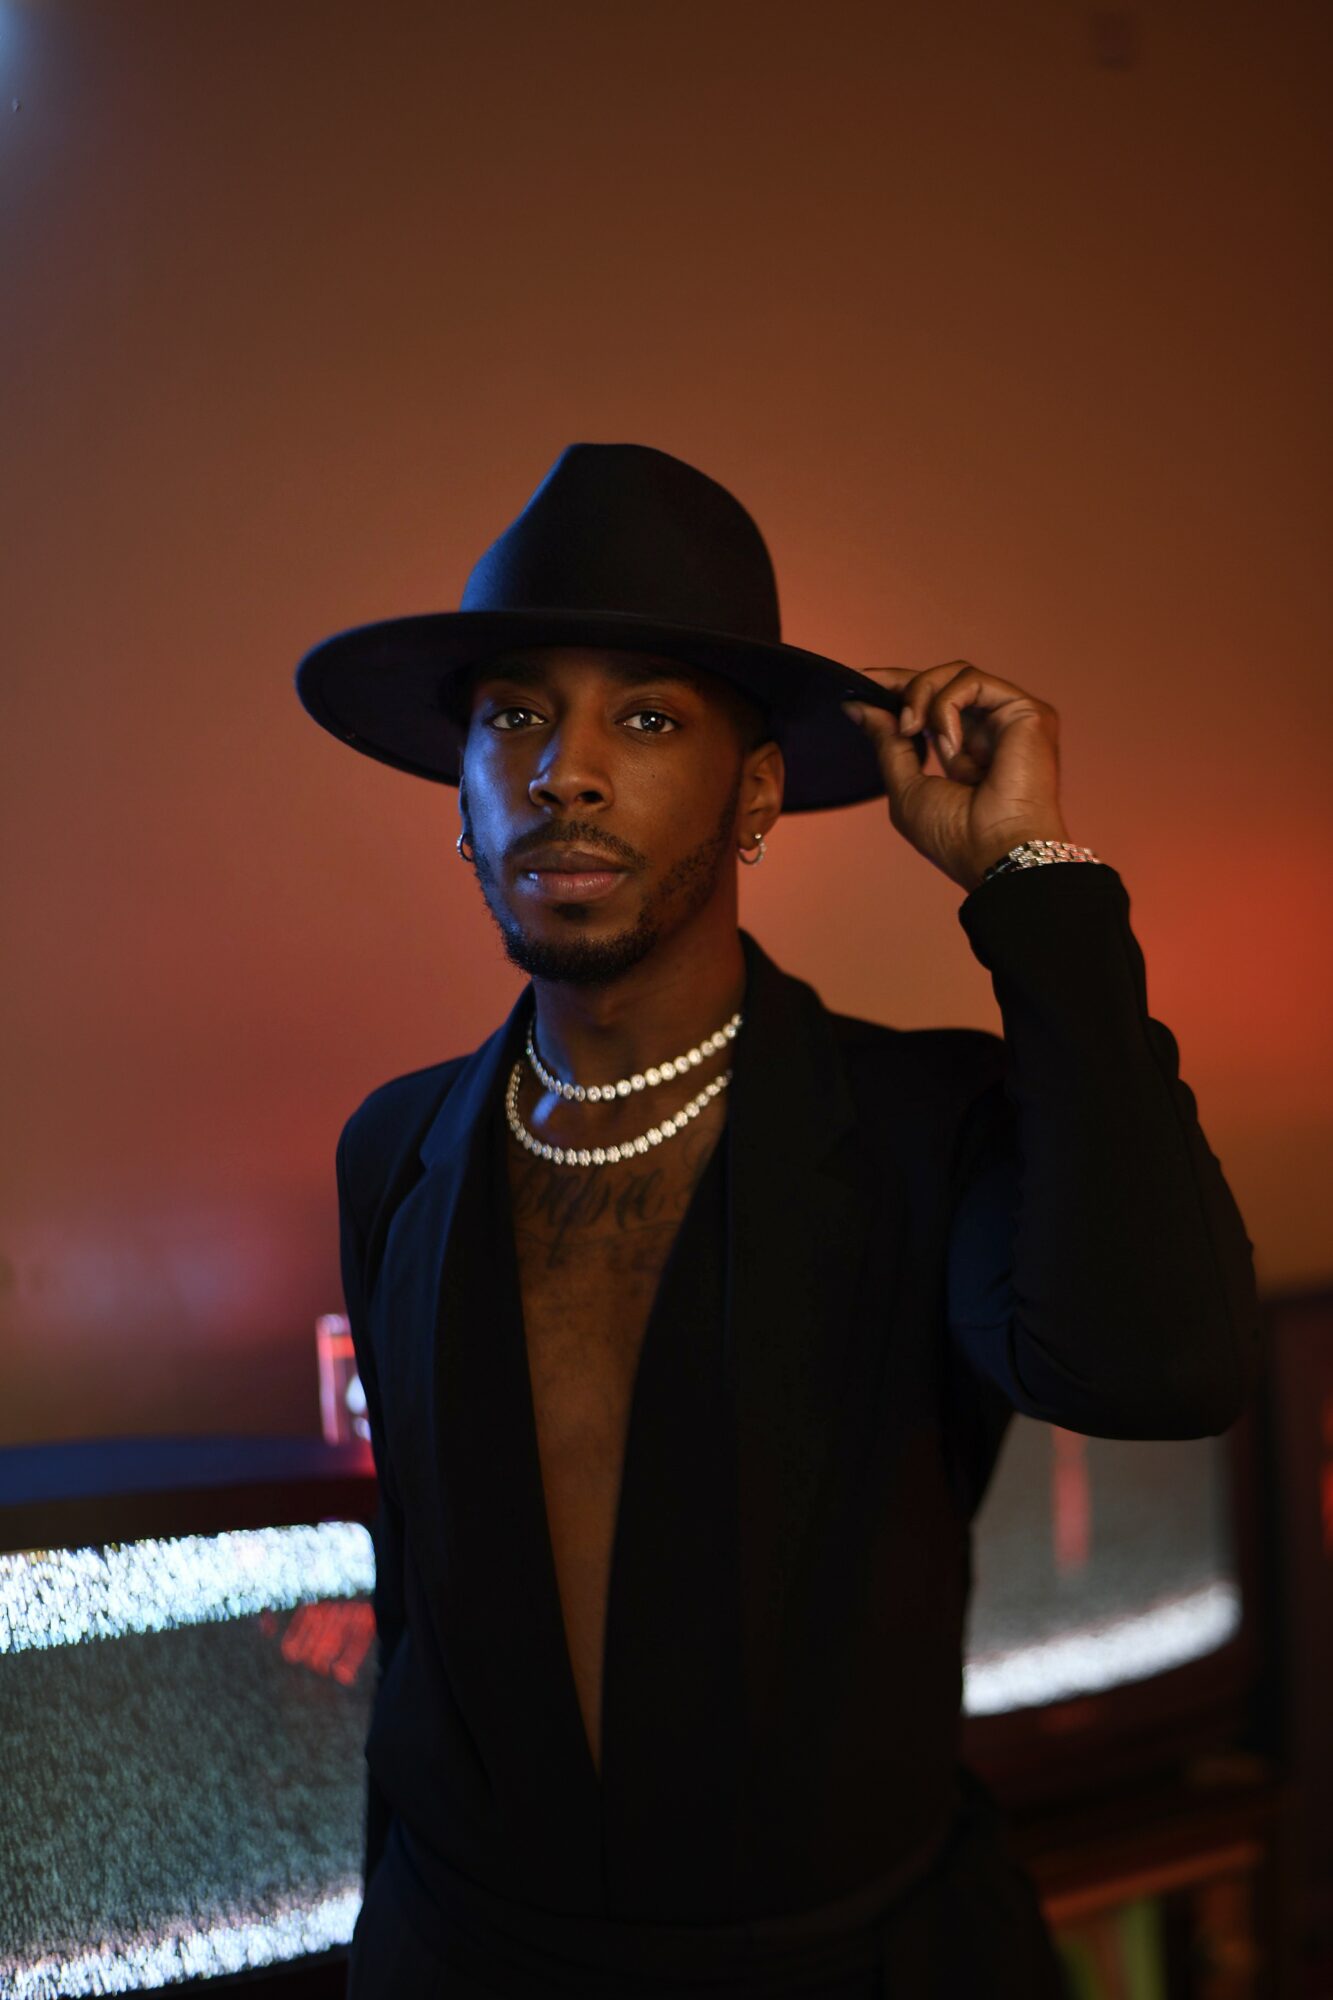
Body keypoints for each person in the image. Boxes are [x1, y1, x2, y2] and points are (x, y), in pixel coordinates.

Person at [295, 443, 1262, 1998]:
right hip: (468, 1958)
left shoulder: (919, 1124)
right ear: (463, 797)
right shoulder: (396, 1148)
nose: (567, 769)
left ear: (756, 795)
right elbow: (423, 1622)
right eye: (516, 715)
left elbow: (1158, 1366)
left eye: (650, 717)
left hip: (855, 1964)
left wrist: (1032, 884)